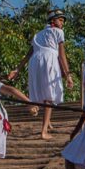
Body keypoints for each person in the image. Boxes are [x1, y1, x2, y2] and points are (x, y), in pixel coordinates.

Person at [9, 9, 74, 140]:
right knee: (49, 94)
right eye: (60, 20)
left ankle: (47, 122)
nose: (62, 23)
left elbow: (29, 54)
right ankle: (44, 131)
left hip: (35, 62)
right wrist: (68, 75)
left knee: (41, 91)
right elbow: (62, 55)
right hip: (49, 59)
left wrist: (17, 69)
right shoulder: (58, 32)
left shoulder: (37, 34)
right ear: (52, 21)